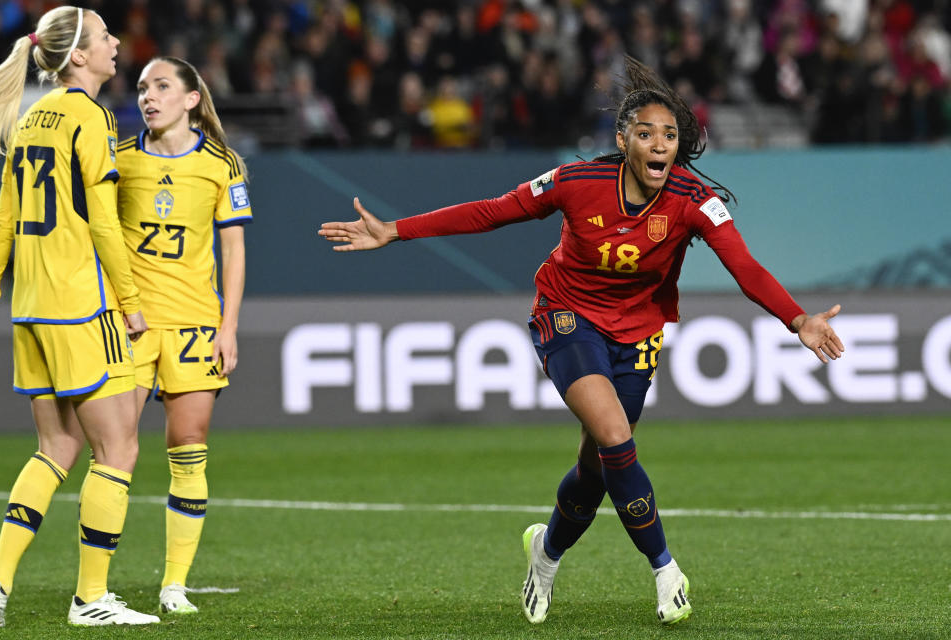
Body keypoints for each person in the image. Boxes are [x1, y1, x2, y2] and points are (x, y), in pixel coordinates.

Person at [318, 56, 845, 627]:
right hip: (566, 315)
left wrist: (797, 320)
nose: (659, 144)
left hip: (638, 332)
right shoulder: (576, 182)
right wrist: (397, 230)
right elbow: (492, 212)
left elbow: (744, 267)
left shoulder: (694, 200)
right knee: (617, 437)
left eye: (669, 135)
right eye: (646, 133)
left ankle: (544, 556)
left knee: (597, 467)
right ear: (624, 141)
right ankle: (667, 572)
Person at [0, 6, 159, 627]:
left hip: (30, 309)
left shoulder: (31, 116)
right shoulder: (90, 117)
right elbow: (105, 223)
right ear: (79, 57)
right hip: (80, 305)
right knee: (117, 449)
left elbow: (3, 222)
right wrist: (132, 303)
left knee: (54, 446)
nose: (117, 43)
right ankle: (91, 599)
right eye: (106, 36)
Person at [116, 56, 251, 615]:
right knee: (113, 453)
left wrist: (230, 327)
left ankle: (174, 584)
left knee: (188, 450)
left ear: (192, 98)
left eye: (162, 86)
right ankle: (94, 586)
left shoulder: (223, 164)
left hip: (197, 325)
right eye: (143, 87)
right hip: (132, 325)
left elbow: (234, 249)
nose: (148, 96)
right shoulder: (118, 159)